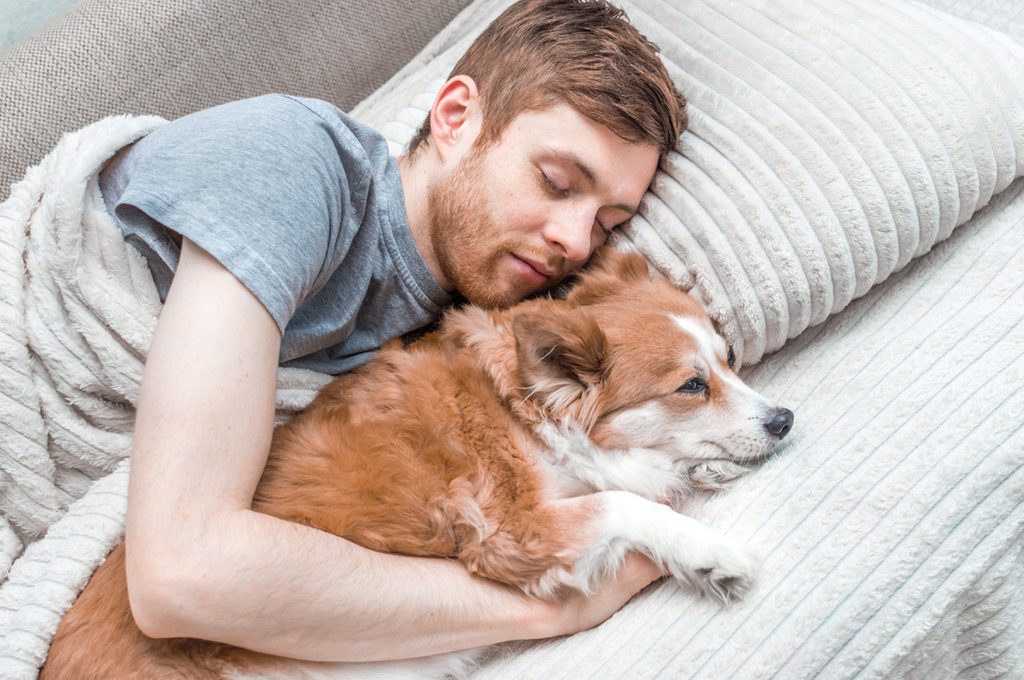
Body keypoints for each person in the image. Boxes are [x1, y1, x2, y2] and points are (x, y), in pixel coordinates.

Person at [108, 0, 687, 663]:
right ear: (454, 117)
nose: (575, 240)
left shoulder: (460, 339)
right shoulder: (293, 162)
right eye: (557, 183)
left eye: (610, 223)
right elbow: (184, 572)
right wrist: (545, 606)